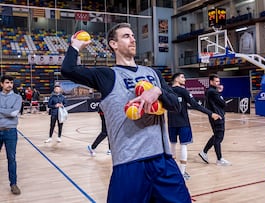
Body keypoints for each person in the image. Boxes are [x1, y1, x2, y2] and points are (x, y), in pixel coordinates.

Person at [61, 23, 191, 202]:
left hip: (162, 160)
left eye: (133, 35)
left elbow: (175, 105)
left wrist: (157, 91)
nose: (133, 39)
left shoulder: (152, 73)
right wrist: (75, 46)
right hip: (129, 163)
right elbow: (68, 70)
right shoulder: (107, 75)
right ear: (113, 44)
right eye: (126, 36)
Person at [168, 72, 221, 180]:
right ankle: (182, 173)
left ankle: (173, 172)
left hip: (171, 123)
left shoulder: (167, 91)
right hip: (183, 123)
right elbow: (195, 105)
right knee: (183, 146)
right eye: (182, 77)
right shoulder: (183, 91)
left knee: (172, 146)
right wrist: (211, 113)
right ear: (176, 79)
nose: (185, 79)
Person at [199, 74, 231, 166]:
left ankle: (204, 152)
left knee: (216, 136)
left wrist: (218, 92)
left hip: (215, 116)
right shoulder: (213, 92)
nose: (218, 83)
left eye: (219, 81)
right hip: (217, 116)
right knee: (218, 137)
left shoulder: (210, 91)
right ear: (211, 82)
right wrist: (220, 93)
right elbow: (223, 103)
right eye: (216, 81)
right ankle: (219, 159)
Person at [0, 75, 22, 195]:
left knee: (11, 159)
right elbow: (10, 112)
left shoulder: (17, 97)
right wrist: (7, 112)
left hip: (11, 132)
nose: (9, 84)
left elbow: (14, 113)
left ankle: (13, 184)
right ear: (1, 84)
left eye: (11, 83)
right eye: (7, 82)